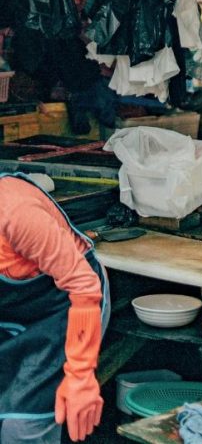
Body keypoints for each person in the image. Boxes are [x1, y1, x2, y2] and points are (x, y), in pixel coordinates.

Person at [0, 174, 108, 444]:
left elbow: (83, 286)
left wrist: (81, 375)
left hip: (64, 307)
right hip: (11, 310)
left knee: (22, 427)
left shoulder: (17, 212)